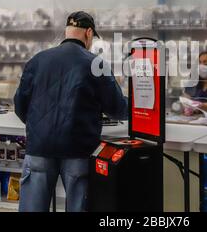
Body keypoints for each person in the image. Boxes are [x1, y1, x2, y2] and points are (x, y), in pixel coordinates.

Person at [14, 11, 127, 212]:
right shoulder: (96, 63)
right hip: (78, 149)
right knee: (78, 207)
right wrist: (142, 109)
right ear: (89, 33)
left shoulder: (38, 60)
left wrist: (40, 126)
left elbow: (20, 105)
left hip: (40, 147)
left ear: (67, 31)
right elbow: (117, 109)